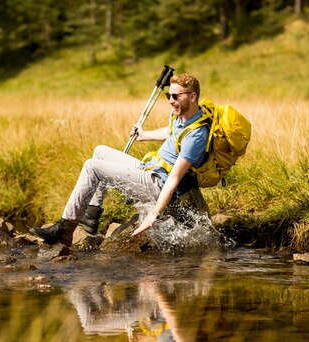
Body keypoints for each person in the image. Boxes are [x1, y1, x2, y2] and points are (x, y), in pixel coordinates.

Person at [30, 73, 210, 246]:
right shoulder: (180, 114)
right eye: (168, 95)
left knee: (91, 167)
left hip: (159, 184)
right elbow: (171, 131)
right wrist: (144, 135)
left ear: (192, 97)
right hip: (150, 169)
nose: (170, 100)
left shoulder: (196, 135)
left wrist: (154, 213)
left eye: (175, 96)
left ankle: (65, 230)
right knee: (100, 151)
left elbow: (174, 178)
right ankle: (90, 217)